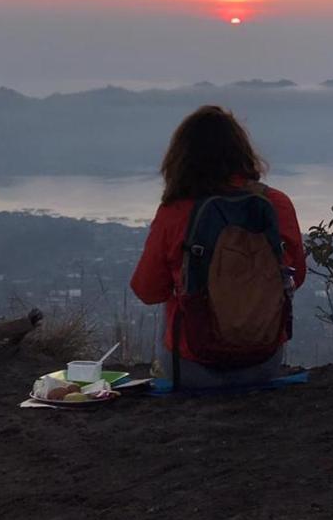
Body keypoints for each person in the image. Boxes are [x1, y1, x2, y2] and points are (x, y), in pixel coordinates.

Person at [130, 105, 307, 389]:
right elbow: (294, 278)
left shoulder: (175, 210)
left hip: (192, 370)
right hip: (264, 364)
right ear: (242, 151)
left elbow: (147, 290)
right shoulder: (276, 204)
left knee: (175, 299)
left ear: (181, 159)